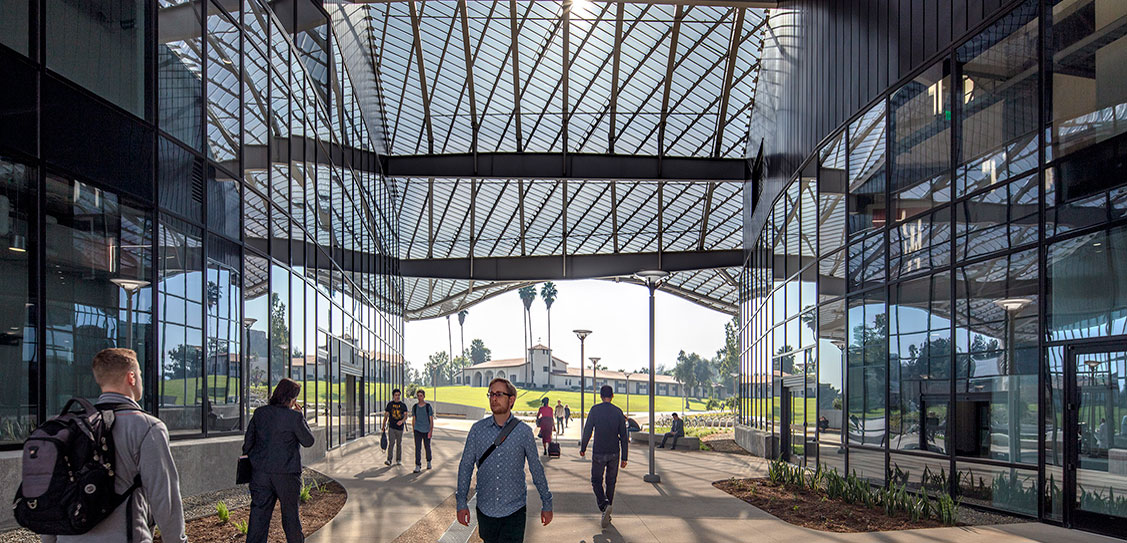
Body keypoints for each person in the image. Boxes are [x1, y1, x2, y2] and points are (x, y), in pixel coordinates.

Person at [42, 348, 188, 543]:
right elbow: (164, 497)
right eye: (140, 375)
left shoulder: (66, 427)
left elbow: (52, 492)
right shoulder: (147, 427)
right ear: (131, 377)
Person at [456, 378, 553, 542]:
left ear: (511, 399)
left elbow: (536, 468)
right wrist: (461, 503)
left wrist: (547, 502)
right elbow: (466, 466)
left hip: (514, 511)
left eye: (499, 394)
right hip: (485, 509)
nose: (494, 398)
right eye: (491, 394)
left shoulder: (524, 432)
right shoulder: (477, 430)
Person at [243, 378, 316, 543]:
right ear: (291, 398)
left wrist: (254, 464)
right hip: (287, 474)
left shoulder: (260, 413)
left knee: (258, 517)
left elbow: (248, 443)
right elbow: (308, 441)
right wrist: (301, 417)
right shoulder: (294, 417)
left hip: (260, 474)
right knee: (290, 517)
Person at [580, 385, 628, 529]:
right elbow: (624, 437)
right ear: (612, 396)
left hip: (599, 452)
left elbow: (588, 429)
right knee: (611, 482)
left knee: (596, 480)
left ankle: (604, 505)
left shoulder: (595, 410)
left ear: (601, 396)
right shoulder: (618, 412)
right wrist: (624, 457)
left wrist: (583, 447)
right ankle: (607, 511)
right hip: (614, 452)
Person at [383, 388, 408, 466]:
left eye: (398, 395)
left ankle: (398, 459)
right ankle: (389, 459)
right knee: (391, 443)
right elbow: (386, 415)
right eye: (396, 395)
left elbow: (406, 415)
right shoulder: (390, 405)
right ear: (393, 396)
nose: (397, 397)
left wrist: (402, 421)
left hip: (400, 428)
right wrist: (383, 425)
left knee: (399, 443)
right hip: (392, 426)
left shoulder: (403, 405)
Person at [412, 389, 435, 473]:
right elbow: (414, 419)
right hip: (417, 430)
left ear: (424, 396)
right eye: (418, 396)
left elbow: (431, 419)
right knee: (418, 448)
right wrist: (414, 429)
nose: (419, 398)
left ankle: (429, 461)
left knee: (427, 446)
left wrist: (431, 430)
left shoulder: (428, 407)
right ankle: (418, 465)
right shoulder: (415, 407)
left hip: (426, 430)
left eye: (421, 396)